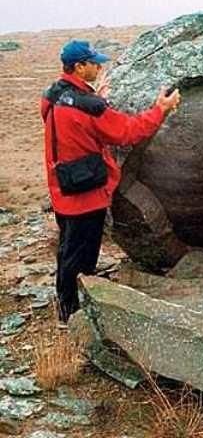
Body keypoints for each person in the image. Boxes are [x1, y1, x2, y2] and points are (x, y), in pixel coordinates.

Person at [41, 40, 181, 325]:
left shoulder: (53, 95)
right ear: (79, 67)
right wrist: (161, 109)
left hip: (61, 188)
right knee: (81, 258)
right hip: (85, 195)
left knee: (67, 250)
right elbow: (128, 132)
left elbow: (65, 117)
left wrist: (94, 97)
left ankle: (65, 303)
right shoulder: (88, 107)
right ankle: (73, 315)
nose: (99, 66)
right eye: (94, 63)